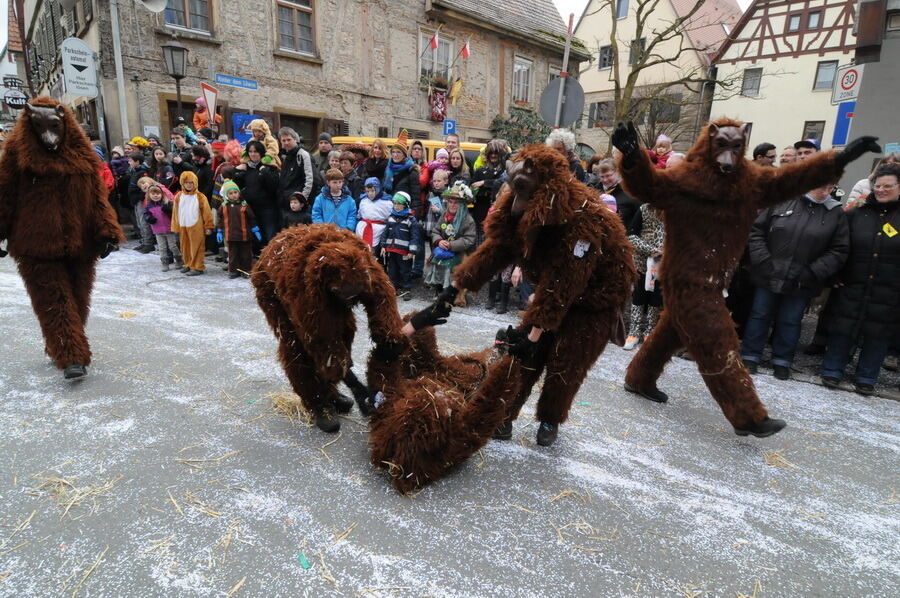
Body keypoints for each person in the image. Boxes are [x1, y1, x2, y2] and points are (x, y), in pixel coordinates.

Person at [742, 181, 849, 380]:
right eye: (822, 186)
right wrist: (764, 261)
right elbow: (756, 232)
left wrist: (813, 271)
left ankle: (782, 360)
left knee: (790, 320)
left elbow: (839, 250)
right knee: (759, 314)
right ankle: (750, 354)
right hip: (769, 272)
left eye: (830, 188)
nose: (825, 192)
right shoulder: (782, 201)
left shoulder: (835, 213)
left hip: (803, 278)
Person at [820, 163, 900, 394]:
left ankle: (866, 376)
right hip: (852, 282)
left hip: (890, 288)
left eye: (888, 186)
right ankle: (832, 369)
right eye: (878, 185)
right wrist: (834, 272)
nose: (881, 190)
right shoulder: (856, 213)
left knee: (879, 332)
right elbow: (838, 246)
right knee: (843, 326)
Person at [625, 202, 665, 350]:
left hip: (662, 263)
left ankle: (650, 332)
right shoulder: (644, 209)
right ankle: (634, 333)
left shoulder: (675, 210)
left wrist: (666, 253)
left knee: (656, 297)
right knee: (639, 294)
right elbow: (632, 235)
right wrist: (649, 249)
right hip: (642, 261)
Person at [424, 182, 476, 296]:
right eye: (450, 202)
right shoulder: (444, 215)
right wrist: (439, 241)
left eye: (456, 203)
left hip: (459, 251)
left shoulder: (468, 219)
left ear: (462, 205)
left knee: (452, 266)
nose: (452, 205)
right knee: (437, 261)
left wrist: (451, 245)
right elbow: (436, 231)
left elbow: (469, 239)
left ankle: (451, 292)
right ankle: (438, 288)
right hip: (443, 248)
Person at [234, 140, 281, 243]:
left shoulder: (269, 167)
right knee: (255, 235)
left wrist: (265, 173)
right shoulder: (246, 167)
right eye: (250, 151)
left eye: (255, 151)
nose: (253, 154)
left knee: (270, 235)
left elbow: (274, 187)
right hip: (251, 207)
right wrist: (237, 172)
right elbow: (237, 186)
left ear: (261, 153)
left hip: (267, 207)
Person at [379, 191, 421, 300]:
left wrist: (412, 251)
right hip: (392, 250)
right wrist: (383, 245)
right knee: (392, 269)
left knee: (405, 270)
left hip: (404, 252)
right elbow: (385, 233)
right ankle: (393, 287)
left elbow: (414, 237)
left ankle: (406, 289)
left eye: (400, 204)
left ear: (406, 205)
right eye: (395, 204)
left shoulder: (410, 220)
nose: (397, 207)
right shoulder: (391, 218)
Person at [171, 171, 214, 276]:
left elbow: (207, 212)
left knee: (197, 246)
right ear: (182, 183)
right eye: (186, 183)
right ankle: (188, 264)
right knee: (185, 246)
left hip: (196, 227)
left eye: (191, 183)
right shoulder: (178, 196)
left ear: (195, 183)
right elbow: (175, 212)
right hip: (183, 226)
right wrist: (175, 226)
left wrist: (208, 226)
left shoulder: (200, 197)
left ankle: (198, 266)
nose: (189, 185)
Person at [216, 180, 262, 279]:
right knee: (233, 255)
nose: (234, 195)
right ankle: (233, 270)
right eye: (231, 193)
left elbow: (251, 218)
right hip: (231, 235)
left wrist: (255, 229)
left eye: (235, 192)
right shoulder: (224, 207)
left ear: (239, 193)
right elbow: (221, 219)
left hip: (244, 235)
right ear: (227, 195)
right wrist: (219, 231)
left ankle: (246, 270)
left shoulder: (244, 205)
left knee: (246, 254)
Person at [470, 140, 507, 247]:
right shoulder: (480, 171)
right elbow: (472, 187)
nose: (493, 156)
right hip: (480, 210)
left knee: (493, 242)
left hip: (497, 210)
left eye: (496, 153)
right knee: (479, 241)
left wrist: (484, 183)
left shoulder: (504, 172)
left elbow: (503, 184)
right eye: (491, 153)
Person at [142, 182, 182, 272]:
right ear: (149, 195)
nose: (156, 196)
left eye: (158, 194)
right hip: (158, 230)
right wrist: (149, 218)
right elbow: (145, 215)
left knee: (173, 246)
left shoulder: (166, 203)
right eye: (153, 194)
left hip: (169, 229)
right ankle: (165, 263)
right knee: (162, 248)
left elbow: (173, 213)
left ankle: (179, 259)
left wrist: (168, 210)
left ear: (161, 194)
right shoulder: (148, 206)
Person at [277, 127, 315, 219]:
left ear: (295, 139)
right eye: (283, 140)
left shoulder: (303, 155)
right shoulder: (283, 156)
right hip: (284, 203)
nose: (286, 142)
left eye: (289, 140)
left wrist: (302, 200)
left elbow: (309, 179)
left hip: (298, 205)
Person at [595, 158, 639, 227]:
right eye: (602, 177)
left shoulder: (629, 192)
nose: (605, 180)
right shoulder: (595, 190)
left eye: (608, 175)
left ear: (617, 172)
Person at [382, 130, 420, 203]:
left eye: (399, 152)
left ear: (404, 155)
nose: (395, 155)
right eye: (393, 152)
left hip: (404, 210)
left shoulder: (411, 171)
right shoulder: (388, 167)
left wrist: (414, 212)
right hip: (388, 207)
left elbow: (416, 198)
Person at [127, 152, 154, 253]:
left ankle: (149, 243)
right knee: (139, 222)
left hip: (141, 200)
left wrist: (140, 197)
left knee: (144, 222)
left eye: (130, 161)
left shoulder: (142, 172)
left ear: (137, 162)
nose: (128, 162)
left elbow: (144, 187)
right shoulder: (134, 171)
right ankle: (144, 241)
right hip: (135, 200)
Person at [355, 177, 392, 250]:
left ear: (378, 189)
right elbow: (359, 215)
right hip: (362, 230)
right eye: (368, 191)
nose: (370, 193)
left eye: (372, 191)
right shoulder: (364, 201)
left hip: (378, 232)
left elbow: (390, 218)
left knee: (374, 254)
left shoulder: (387, 203)